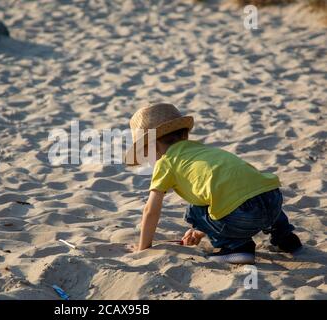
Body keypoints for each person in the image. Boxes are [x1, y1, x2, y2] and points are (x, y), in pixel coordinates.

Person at [125, 102, 302, 264]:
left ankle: (237, 248)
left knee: (194, 210)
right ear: (185, 134)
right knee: (254, 191)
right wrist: (200, 232)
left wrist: (143, 247)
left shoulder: (166, 162)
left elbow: (151, 210)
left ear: (154, 145)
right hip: (273, 201)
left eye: (145, 152)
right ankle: (285, 237)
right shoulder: (203, 150)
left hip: (242, 215)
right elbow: (227, 193)